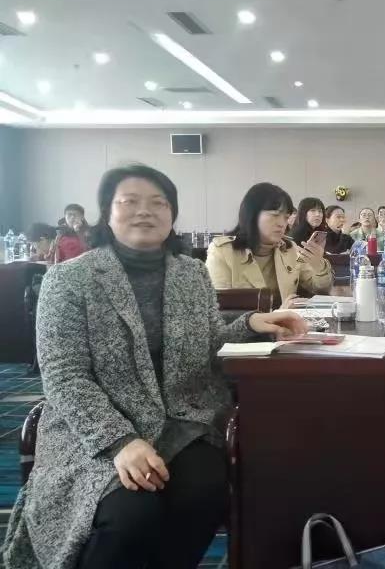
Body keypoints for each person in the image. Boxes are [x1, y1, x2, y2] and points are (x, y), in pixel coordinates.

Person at [1, 164, 308, 569]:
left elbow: (206, 345)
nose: (144, 211)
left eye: (158, 203)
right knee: (130, 514)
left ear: (172, 214)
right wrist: (120, 442)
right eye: (129, 202)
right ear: (107, 213)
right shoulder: (68, 279)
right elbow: (64, 376)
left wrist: (251, 324)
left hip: (179, 421)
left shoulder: (190, 273)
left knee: (205, 492)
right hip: (94, 429)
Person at [206, 183, 333, 309]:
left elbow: (319, 288)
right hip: (254, 323)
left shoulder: (290, 249)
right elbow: (218, 312)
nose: (282, 224)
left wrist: (319, 266)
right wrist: (277, 315)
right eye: (275, 215)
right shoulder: (223, 251)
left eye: (286, 218)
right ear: (253, 214)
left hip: (288, 321)